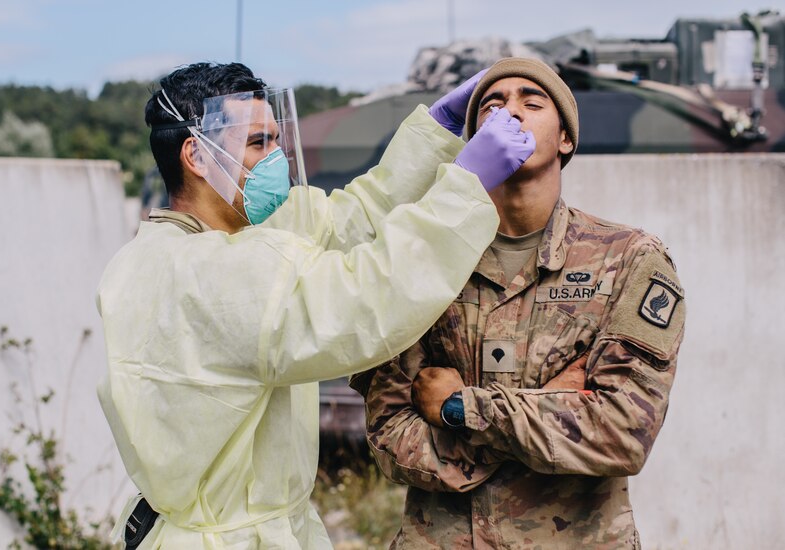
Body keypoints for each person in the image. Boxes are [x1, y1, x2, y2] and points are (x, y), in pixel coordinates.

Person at [95, 61, 537, 548]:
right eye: (258, 143)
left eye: (276, 140)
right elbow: (367, 302)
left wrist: (437, 132)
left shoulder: (213, 239)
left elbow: (354, 219)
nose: (276, 159)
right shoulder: (206, 273)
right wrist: (466, 186)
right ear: (197, 155)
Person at [354, 57, 686, 549]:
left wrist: (459, 408)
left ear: (566, 138)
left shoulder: (628, 259)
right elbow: (389, 435)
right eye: (492, 105)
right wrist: (549, 406)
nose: (511, 112)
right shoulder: (428, 257)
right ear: (475, 142)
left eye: (532, 102)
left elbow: (622, 433)